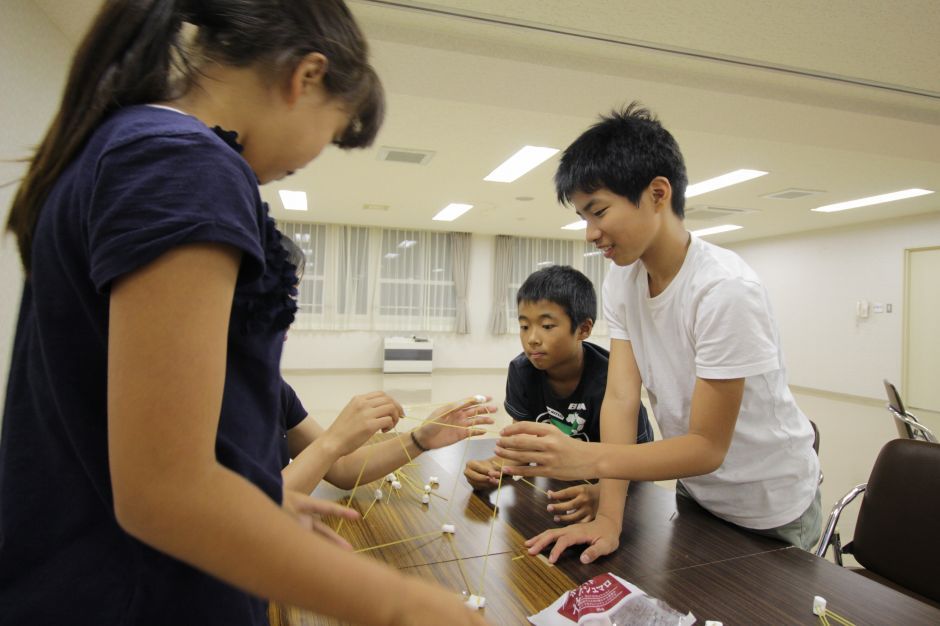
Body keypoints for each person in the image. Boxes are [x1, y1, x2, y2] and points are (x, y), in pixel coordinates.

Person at [0, 2, 488, 625]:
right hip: (143, 596)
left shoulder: (129, 147)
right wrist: (408, 608)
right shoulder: (184, 163)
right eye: (333, 134)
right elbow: (165, 493)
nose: (313, 157)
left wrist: (257, 504)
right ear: (306, 76)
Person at [494, 103, 822, 565]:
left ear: (657, 194)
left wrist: (586, 460)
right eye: (583, 217)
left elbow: (708, 445)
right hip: (698, 492)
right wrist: (609, 517)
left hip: (770, 505)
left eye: (598, 211)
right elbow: (621, 400)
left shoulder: (723, 289)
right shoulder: (622, 279)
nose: (590, 233)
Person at [463, 265, 652, 523]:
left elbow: (641, 464)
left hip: (619, 495)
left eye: (547, 326)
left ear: (583, 329)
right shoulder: (522, 371)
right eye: (524, 326)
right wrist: (492, 466)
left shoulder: (612, 380)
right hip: (558, 491)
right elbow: (526, 445)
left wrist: (602, 493)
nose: (532, 339)